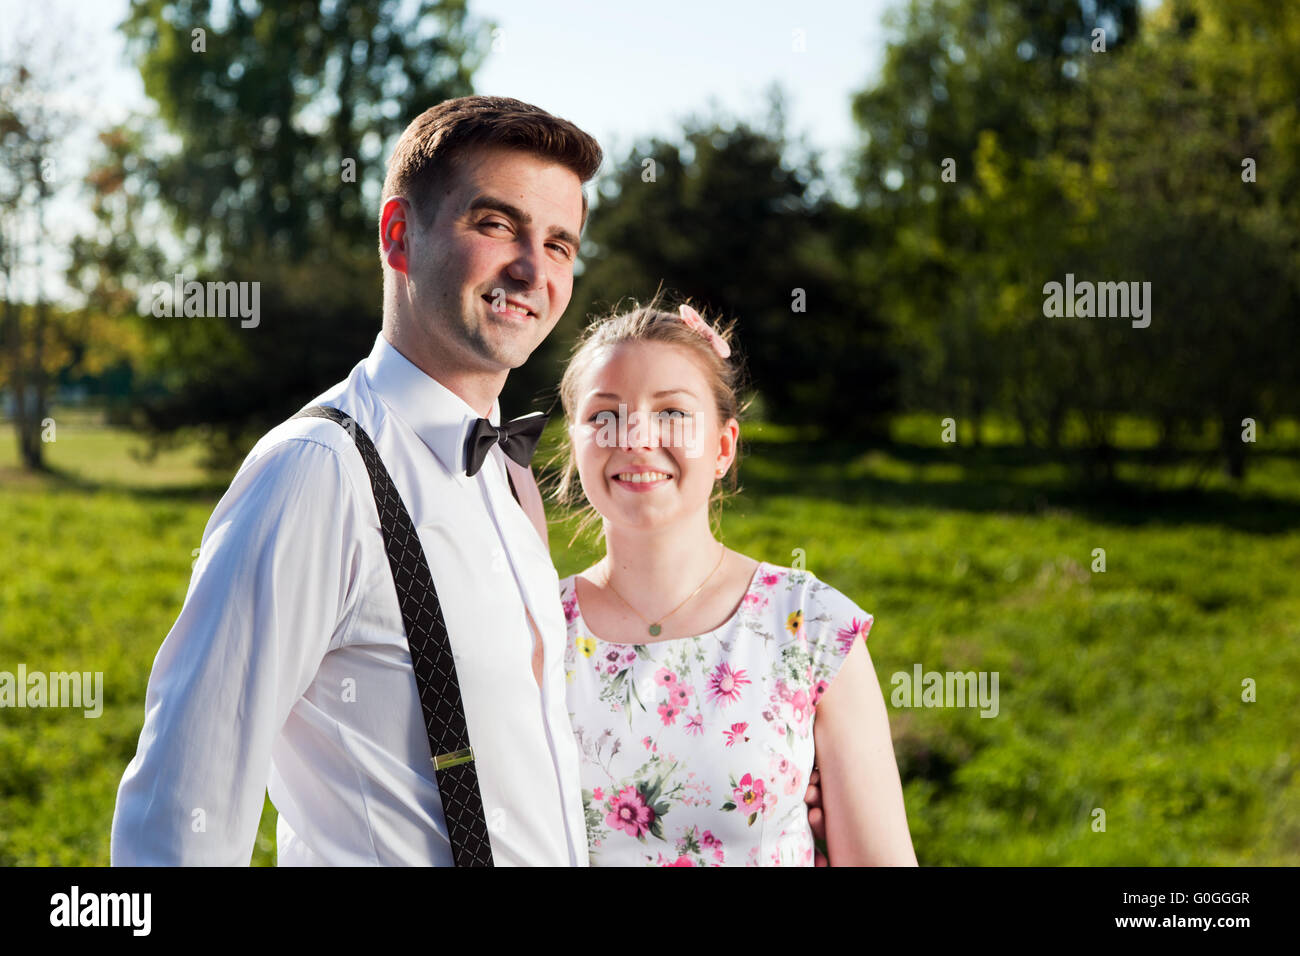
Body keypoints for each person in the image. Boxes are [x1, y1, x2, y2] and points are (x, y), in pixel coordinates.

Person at [110, 95, 830, 866]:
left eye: (559, 244)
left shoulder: (511, 483)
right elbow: (177, 822)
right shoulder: (318, 475)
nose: (532, 267)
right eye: (495, 224)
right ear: (398, 236)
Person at [552, 294, 918, 865]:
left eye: (671, 412)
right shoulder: (535, 631)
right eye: (604, 415)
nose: (635, 437)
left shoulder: (812, 628)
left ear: (723, 447)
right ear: (575, 445)